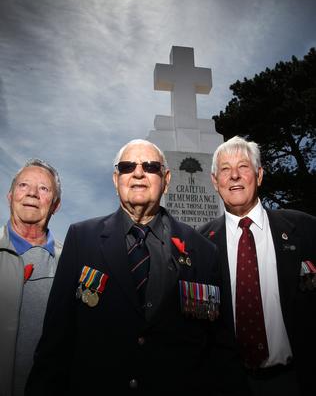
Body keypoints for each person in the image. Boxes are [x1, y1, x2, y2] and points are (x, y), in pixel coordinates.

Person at [26, 139, 248, 396]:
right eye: (127, 166)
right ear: (115, 179)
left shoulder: (203, 250)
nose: (138, 173)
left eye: (151, 166)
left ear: (166, 179)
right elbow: (56, 343)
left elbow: (221, 350)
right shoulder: (82, 239)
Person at [199, 136, 316, 396]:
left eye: (243, 167)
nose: (234, 176)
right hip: (228, 384)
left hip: (296, 381)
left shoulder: (305, 230)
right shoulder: (199, 244)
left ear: (259, 175)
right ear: (215, 182)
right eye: (225, 170)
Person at [0, 158, 62, 396]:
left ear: (55, 205)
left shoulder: (72, 262)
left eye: (44, 188)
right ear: (10, 195)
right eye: (24, 185)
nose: (32, 194)